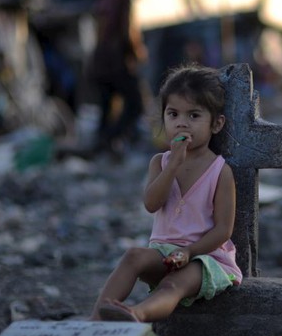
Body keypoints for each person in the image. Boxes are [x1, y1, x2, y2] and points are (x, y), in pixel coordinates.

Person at [89, 64, 242, 322]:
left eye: (194, 116)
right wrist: (172, 166)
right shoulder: (160, 163)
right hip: (164, 253)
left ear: (216, 124)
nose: (182, 123)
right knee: (133, 256)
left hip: (204, 259)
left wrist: (190, 252)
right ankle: (96, 319)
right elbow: (151, 203)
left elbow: (223, 230)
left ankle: (136, 314)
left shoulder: (220, 171)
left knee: (172, 286)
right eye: (173, 114)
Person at [89, 0, 147, 160]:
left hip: (100, 64)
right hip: (115, 64)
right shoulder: (122, 2)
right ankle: (109, 139)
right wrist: (135, 54)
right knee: (135, 104)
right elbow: (124, 33)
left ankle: (103, 144)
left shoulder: (105, 1)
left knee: (107, 107)